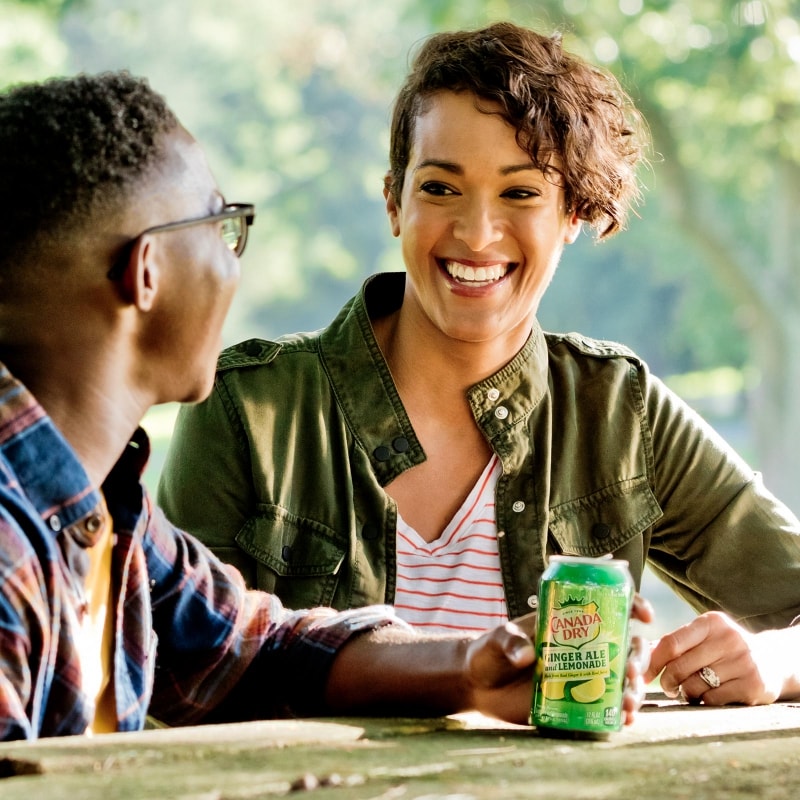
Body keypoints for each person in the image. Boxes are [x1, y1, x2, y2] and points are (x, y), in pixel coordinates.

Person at [157, 22, 800, 706]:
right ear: (393, 202)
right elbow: (168, 667)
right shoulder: (248, 407)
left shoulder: (618, 411)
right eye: (440, 188)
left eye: (520, 194)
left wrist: (773, 657)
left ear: (572, 215)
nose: (476, 233)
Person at [0, 69, 654, 741]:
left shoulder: (104, 516)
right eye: (223, 229)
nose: (235, 267)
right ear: (149, 273)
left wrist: (472, 668)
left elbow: (257, 648)